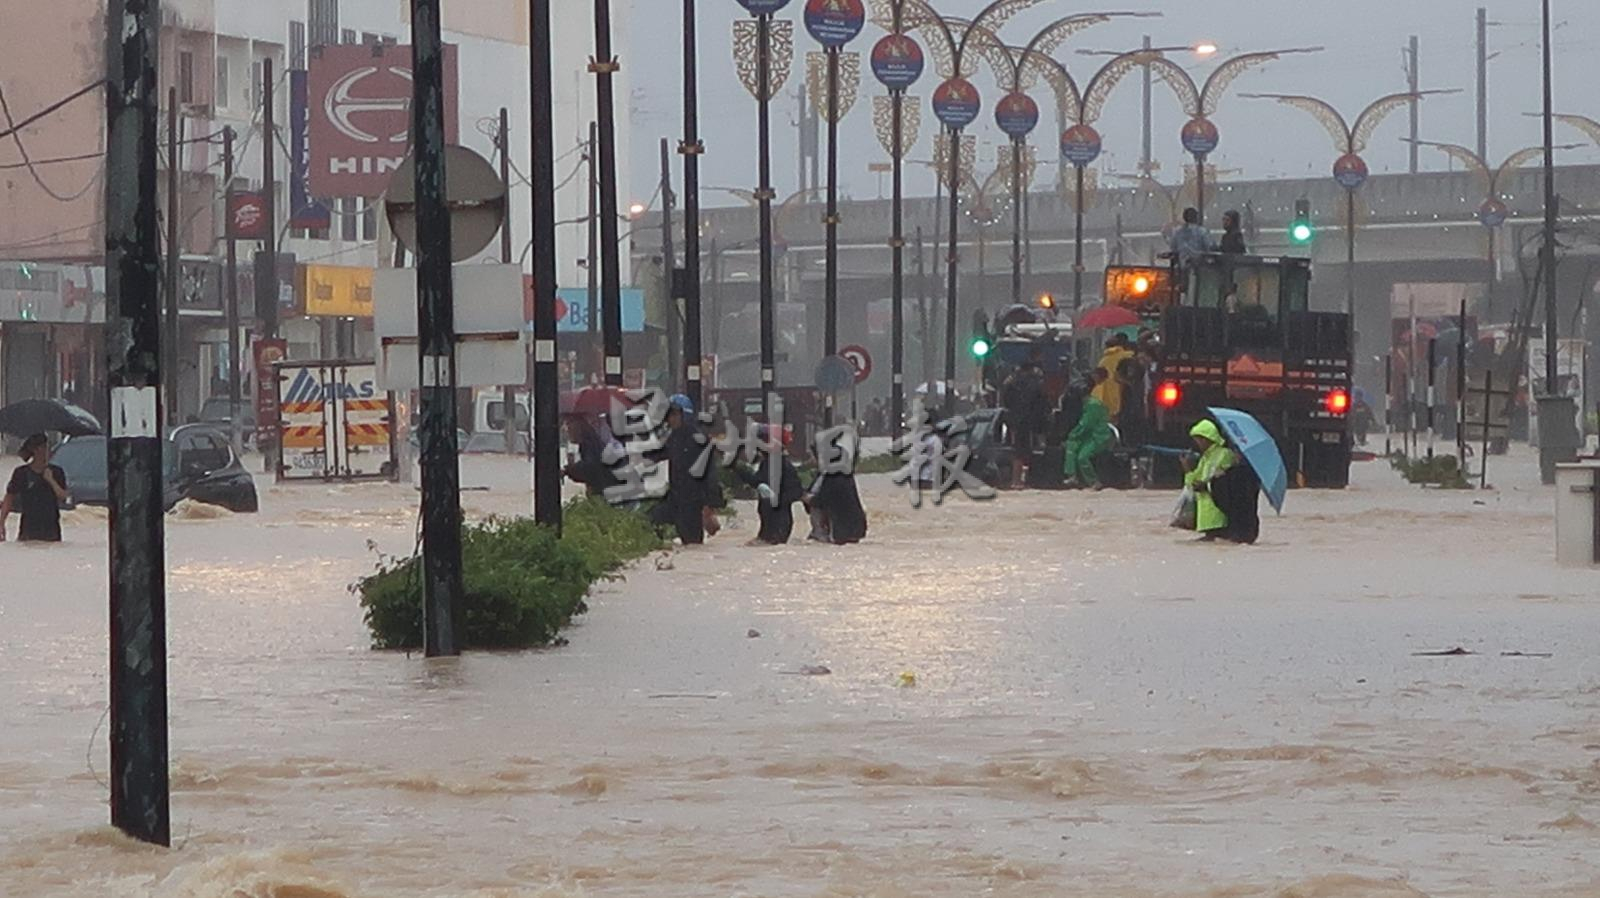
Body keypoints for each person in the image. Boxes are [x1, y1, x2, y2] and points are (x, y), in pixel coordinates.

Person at [648, 394, 721, 545]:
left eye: (674, 414)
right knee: (650, 519)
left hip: (693, 504)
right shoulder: (674, 437)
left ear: (685, 415)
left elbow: (710, 474)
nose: (671, 419)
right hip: (675, 498)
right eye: (669, 415)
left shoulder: (699, 439)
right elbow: (659, 454)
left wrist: (709, 506)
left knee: (692, 544)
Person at [736, 426, 804, 545]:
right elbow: (757, 481)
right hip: (770, 525)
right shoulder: (768, 463)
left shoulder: (782, 465)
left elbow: (796, 492)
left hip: (778, 524)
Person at [1, 434, 69, 543]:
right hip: (28, 529)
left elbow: (64, 497)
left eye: (47, 447)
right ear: (34, 450)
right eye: (42, 448)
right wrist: (1, 523)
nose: (46, 452)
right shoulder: (21, 473)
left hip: (51, 531)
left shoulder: (57, 472)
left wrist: (51, 480)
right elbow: (9, 498)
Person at [1182, 419, 1240, 541]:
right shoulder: (1205, 458)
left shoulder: (1225, 454)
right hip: (1205, 516)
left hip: (1218, 513)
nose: (1197, 443)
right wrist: (1187, 468)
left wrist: (1206, 485)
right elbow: (1191, 483)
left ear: (1206, 438)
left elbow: (1225, 481)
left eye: (1198, 440)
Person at [804, 436, 868, 545]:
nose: (811, 459)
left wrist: (803, 497)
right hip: (851, 528)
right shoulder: (834, 473)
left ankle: (820, 535)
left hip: (841, 531)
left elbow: (822, 500)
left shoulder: (834, 477)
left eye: (813, 456)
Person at [1000, 352, 1047, 487]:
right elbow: (1041, 401)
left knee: (1017, 449)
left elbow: (1006, 399)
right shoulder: (1034, 383)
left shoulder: (1011, 381)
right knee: (1028, 449)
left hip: (1014, 419)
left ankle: (1016, 480)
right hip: (1030, 420)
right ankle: (1023, 480)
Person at [1063, 373, 1114, 489]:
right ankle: (1071, 475)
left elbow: (1086, 424)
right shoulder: (1088, 404)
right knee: (1072, 446)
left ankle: (1093, 481)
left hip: (1099, 437)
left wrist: (1073, 434)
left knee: (1082, 456)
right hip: (1090, 436)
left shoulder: (1093, 405)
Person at [561, 413, 620, 497]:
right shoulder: (589, 442)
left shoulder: (588, 444)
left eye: (568, 426)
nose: (567, 431)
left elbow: (589, 467)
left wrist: (568, 470)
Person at [1094, 336, 1134, 419]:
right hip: (1126, 396)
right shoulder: (1128, 356)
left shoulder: (1103, 361)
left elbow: (1098, 383)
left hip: (1107, 399)